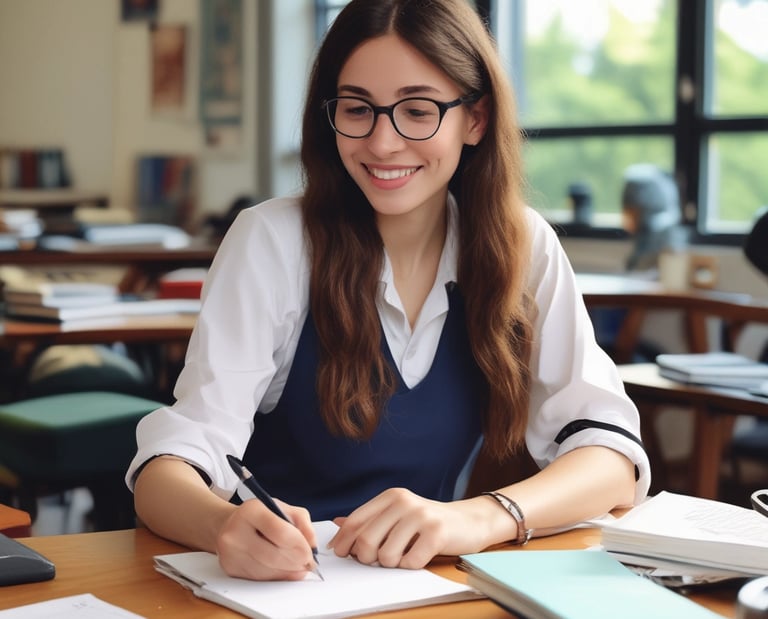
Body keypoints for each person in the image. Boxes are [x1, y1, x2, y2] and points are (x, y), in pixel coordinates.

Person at [127, 0, 650, 582]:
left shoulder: (522, 244)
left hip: (424, 586)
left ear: (475, 119)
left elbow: (611, 457)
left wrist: (478, 520)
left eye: (417, 111)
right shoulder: (273, 240)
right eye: (358, 109)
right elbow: (168, 467)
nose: (382, 143)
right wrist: (219, 525)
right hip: (278, 590)